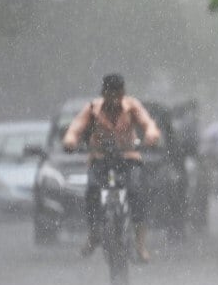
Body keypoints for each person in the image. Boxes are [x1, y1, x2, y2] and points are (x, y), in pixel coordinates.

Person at [63, 74, 162, 262]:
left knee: (136, 192)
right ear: (103, 93)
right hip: (100, 159)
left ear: (123, 93)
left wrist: (151, 136)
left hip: (128, 158)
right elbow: (76, 127)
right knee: (92, 190)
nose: (115, 100)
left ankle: (140, 244)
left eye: (118, 94)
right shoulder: (92, 109)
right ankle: (94, 235)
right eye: (111, 94)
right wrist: (70, 141)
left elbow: (147, 124)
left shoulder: (132, 106)